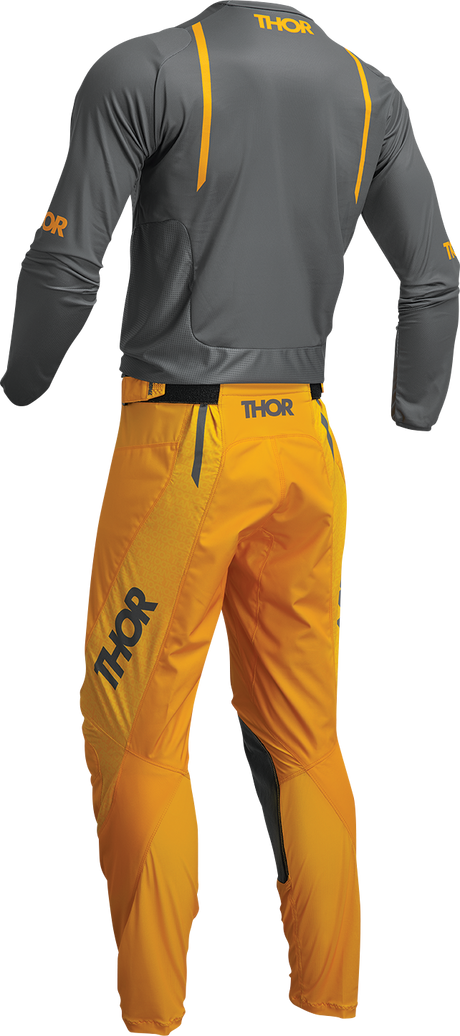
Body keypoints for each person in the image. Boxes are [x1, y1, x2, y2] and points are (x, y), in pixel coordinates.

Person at [1, 3, 458, 1032]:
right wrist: (415, 411)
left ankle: (154, 1015)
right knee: (306, 739)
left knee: (136, 735)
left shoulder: (143, 69)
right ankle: (329, 1002)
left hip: (182, 444)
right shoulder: (369, 89)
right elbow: (433, 273)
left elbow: (65, 268)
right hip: (308, 445)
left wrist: (22, 386)